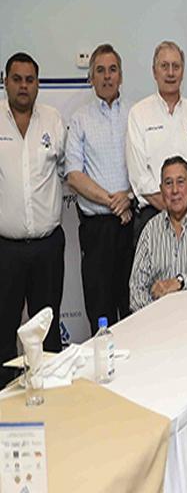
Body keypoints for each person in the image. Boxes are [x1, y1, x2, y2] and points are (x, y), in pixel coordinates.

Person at [0, 52, 67, 384]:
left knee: (48, 330)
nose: (23, 86)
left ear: (38, 84)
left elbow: (69, 169)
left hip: (46, 247)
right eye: (17, 79)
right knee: (3, 327)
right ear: (5, 82)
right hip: (6, 249)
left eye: (29, 80)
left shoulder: (53, 120)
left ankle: (50, 392)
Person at [65, 44, 134, 334]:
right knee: (100, 311)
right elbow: (73, 175)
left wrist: (129, 198)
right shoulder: (80, 119)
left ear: (121, 76)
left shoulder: (135, 114)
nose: (107, 76)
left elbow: (148, 167)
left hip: (132, 224)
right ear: (91, 77)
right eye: (100, 71)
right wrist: (113, 202)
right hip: (97, 231)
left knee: (133, 309)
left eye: (113, 70)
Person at [126, 40, 187, 241]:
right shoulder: (138, 114)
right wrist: (173, 207)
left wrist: (184, 205)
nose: (171, 73)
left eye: (176, 66)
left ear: (183, 72)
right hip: (153, 215)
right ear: (154, 71)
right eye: (164, 66)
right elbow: (140, 177)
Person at [129, 156, 187, 311]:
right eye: (168, 183)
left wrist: (180, 282)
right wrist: (158, 313)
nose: (174, 190)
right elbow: (136, 290)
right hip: (158, 317)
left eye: (181, 182)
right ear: (161, 190)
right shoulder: (150, 230)